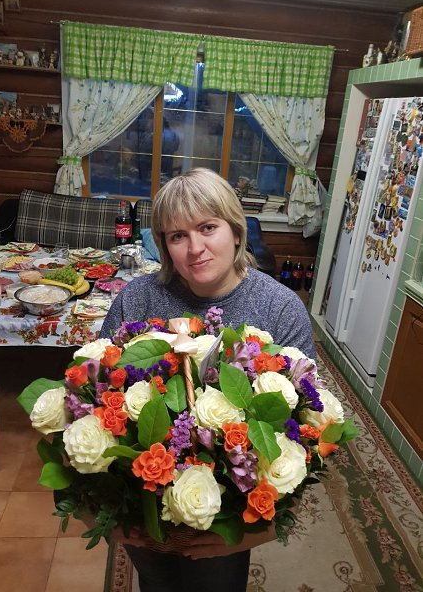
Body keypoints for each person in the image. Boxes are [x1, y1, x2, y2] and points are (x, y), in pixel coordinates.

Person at [99, 167, 315, 591]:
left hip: (226, 518)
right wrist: (110, 512)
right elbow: (95, 400)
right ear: (164, 245)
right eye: (178, 235)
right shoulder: (137, 299)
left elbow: (307, 431)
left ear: (235, 230)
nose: (195, 248)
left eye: (208, 228)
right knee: (156, 582)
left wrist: (253, 531)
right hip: (146, 504)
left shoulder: (280, 308)